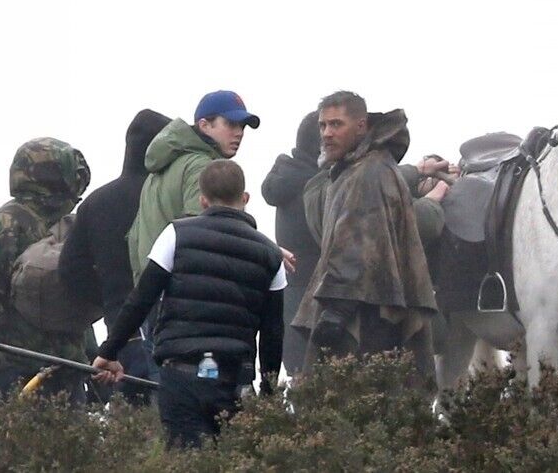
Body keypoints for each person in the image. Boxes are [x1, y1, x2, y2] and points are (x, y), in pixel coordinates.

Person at [93, 160, 286, 448]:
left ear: (203, 200)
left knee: (185, 460)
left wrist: (109, 351)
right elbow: (273, 332)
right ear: (245, 198)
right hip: (234, 380)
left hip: (181, 376)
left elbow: (140, 300)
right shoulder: (271, 254)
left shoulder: (175, 235)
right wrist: (268, 394)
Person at [292, 91, 438, 382]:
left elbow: (357, 246)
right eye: (323, 126)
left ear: (361, 126)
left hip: (365, 316)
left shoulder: (369, 172)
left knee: (352, 407)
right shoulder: (353, 169)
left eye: (336, 125)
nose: (327, 134)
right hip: (363, 308)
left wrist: (335, 311)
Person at [126, 91, 261, 380]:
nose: (239, 133)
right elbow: (205, 235)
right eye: (231, 124)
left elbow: (138, 236)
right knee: (206, 404)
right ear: (204, 125)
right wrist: (262, 250)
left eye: (243, 127)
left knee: (166, 400)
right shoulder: (204, 168)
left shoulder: (163, 167)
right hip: (186, 306)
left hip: (156, 299)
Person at [59, 109, 170, 403]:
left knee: (135, 431)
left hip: (120, 333)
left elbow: (70, 271)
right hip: (169, 326)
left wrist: (111, 298)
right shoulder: (164, 197)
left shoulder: (96, 203)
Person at [0, 137, 91, 402]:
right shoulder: (5, 226)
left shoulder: (62, 224)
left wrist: (91, 358)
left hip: (62, 368)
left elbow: (75, 301)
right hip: (25, 370)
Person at [261, 111, 322, 376]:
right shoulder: (318, 185)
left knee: (301, 382)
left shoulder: (288, 179)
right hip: (317, 293)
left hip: (289, 292)